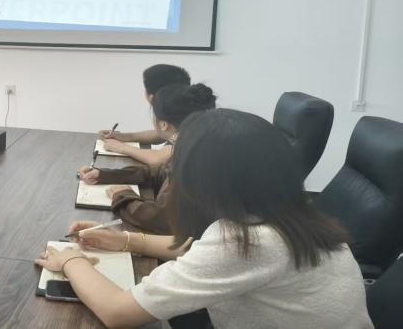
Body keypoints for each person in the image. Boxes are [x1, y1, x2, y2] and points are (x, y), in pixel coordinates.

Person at [37, 109, 372, 329]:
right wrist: (126, 240)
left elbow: (116, 311)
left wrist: (70, 261)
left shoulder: (244, 242)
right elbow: (197, 250)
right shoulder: (289, 218)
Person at [78, 83, 216, 234]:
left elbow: (163, 219)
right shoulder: (195, 142)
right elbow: (159, 173)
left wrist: (123, 197)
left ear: (163, 124)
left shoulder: (195, 157)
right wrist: (106, 174)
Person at [98, 64, 190, 162]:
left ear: (152, 97)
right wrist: (126, 137)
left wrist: (121, 147)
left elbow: (158, 159)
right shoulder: (187, 106)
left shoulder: (191, 124)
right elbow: (163, 133)